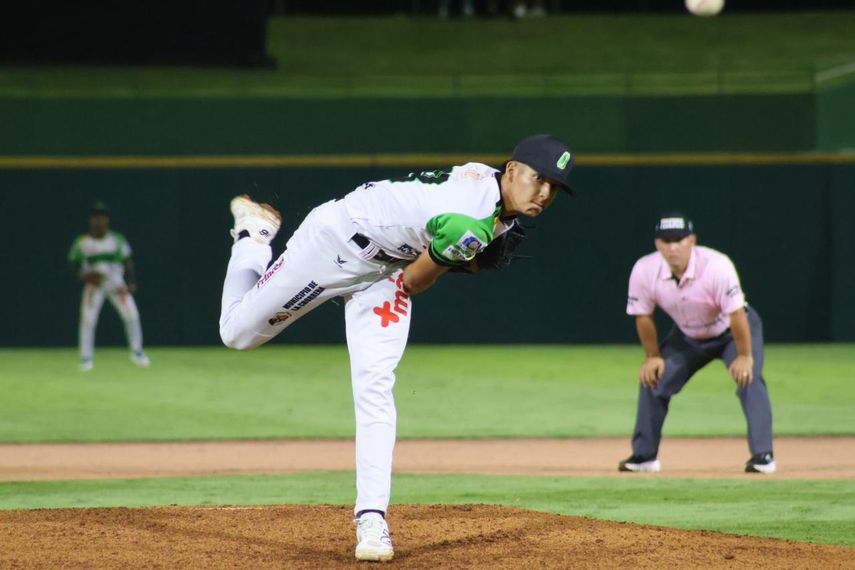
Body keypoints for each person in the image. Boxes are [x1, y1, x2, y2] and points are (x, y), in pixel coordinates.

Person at [218, 134, 576, 561]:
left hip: (386, 268)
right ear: (513, 170)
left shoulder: (489, 186)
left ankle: (372, 519)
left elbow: (423, 248)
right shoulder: (470, 218)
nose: (544, 192)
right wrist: (461, 254)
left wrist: (463, 248)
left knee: (375, 386)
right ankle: (254, 236)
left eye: (554, 186)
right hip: (335, 244)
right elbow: (416, 282)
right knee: (236, 334)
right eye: (538, 178)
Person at [620, 213, 775, 475]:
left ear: (691, 240)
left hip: (731, 331)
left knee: (749, 378)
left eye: (679, 239)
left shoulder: (716, 265)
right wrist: (652, 356)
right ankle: (644, 455)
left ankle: (763, 456)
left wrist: (745, 355)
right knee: (653, 378)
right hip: (687, 337)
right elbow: (643, 315)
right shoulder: (644, 269)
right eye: (665, 240)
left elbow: (737, 314)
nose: (672, 247)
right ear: (657, 243)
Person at [68, 201, 150, 371]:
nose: (99, 221)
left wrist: (131, 282)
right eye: (96, 218)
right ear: (91, 220)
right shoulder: (83, 242)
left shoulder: (116, 240)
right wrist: (83, 276)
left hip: (115, 283)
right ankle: (86, 358)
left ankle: (137, 352)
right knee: (88, 320)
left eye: (102, 217)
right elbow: (74, 263)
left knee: (131, 315)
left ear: (107, 220)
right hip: (95, 285)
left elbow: (128, 262)